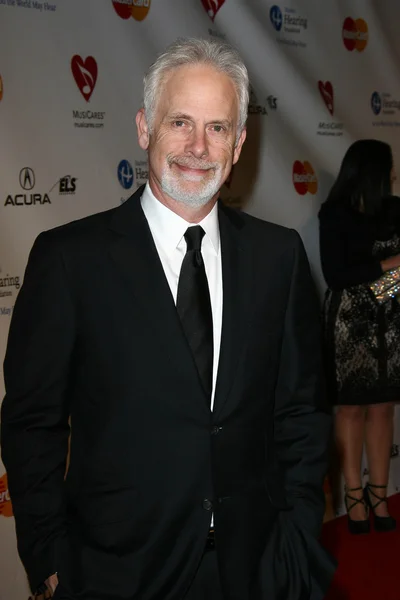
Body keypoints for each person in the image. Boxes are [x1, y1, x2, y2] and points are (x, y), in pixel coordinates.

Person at [1, 38, 334, 600]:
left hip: (255, 569)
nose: (197, 147)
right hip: (114, 572)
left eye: (218, 128)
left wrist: (297, 539)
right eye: (180, 122)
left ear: (239, 144)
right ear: (143, 128)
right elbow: (32, 421)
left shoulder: (278, 258)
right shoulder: (69, 259)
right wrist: (50, 558)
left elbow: (301, 410)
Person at [319, 139, 398, 535]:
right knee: (350, 409)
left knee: (384, 407)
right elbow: (336, 276)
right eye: (388, 169)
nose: (393, 176)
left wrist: (385, 282)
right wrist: (387, 264)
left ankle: (379, 496)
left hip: (391, 324)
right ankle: (354, 497)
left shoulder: (394, 210)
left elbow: (392, 280)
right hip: (349, 324)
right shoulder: (334, 214)